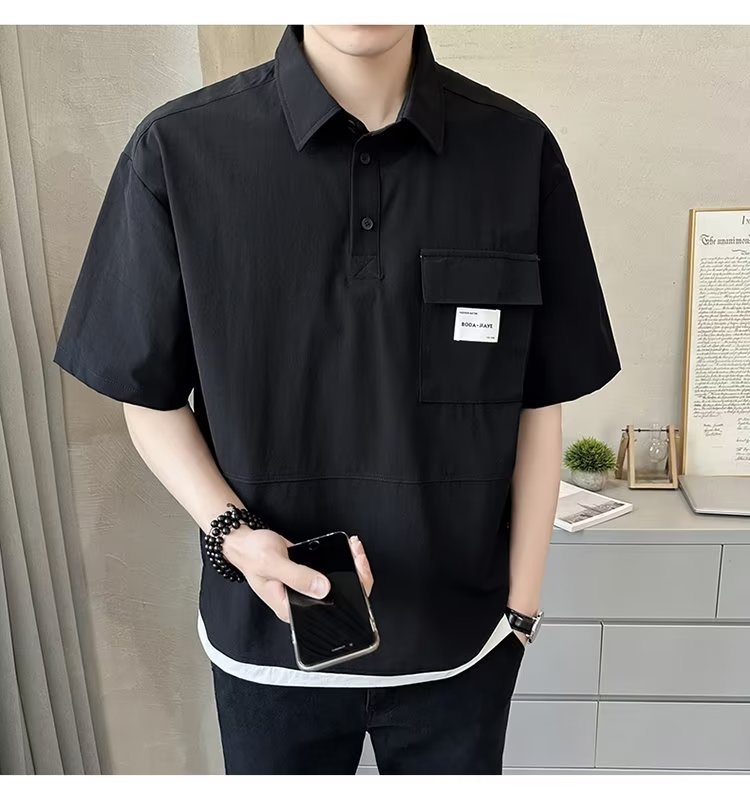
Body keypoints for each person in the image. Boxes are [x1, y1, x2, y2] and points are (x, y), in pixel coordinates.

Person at [53, 24, 620, 774]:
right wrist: (233, 532)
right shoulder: (177, 150)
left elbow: (537, 399)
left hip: (464, 647)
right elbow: (148, 392)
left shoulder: (517, 152)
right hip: (266, 647)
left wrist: (521, 610)